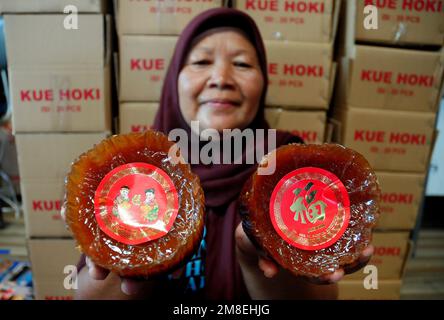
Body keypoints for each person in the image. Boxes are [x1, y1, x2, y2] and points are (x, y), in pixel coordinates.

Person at [74, 8, 373, 300]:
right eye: (201, 61)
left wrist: (253, 258)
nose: (221, 78)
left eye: (242, 65)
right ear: (173, 80)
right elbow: (86, 294)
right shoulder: (132, 168)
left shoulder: (287, 169)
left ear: (263, 83)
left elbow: (323, 295)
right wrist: (134, 258)